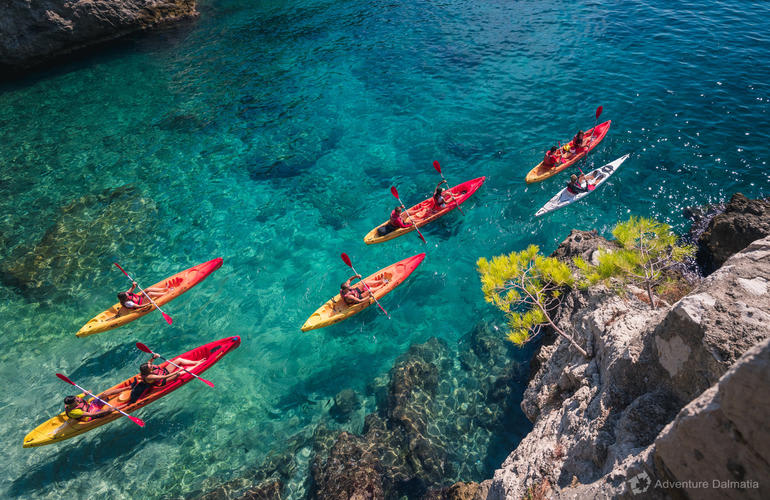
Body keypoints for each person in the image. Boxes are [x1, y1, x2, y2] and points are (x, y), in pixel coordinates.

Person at [128, 353, 203, 404]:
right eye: (150, 366)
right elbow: (165, 377)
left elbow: (149, 362)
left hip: (164, 371)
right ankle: (198, 366)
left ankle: (196, 362)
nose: (151, 365)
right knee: (180, 373)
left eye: (150, 365)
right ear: (148, 370)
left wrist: (154, 357)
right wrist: (178, 371)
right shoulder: (150, 376)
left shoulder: (147, 368)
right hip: (163, 380)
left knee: (179, 360)